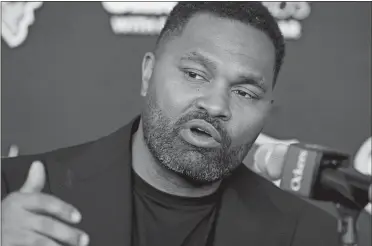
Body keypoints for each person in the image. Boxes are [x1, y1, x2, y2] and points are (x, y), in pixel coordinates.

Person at [1, 2, 366, 246]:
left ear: (267, 111)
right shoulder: (15, 192)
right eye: (194, 74)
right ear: (147, 73)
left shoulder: (306, 236)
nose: (216, 104)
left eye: (245, 93)